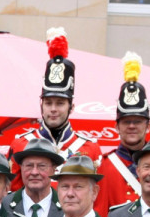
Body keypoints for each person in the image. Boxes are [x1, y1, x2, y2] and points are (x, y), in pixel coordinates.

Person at [9, 28, 102, 189]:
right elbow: (12, 195)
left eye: (60, 103)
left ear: (71, 107)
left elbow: (96, 196)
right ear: (41, 105)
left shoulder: (90, 148)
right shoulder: (20, 145)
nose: (53, 109)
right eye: (48, 103)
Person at [94, 52, 150, 216]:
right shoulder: (103, 165)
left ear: (148, 126)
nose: (132, 126)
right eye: (126, 121)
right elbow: (99, 212)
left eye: (137, 121)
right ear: (116, 126)